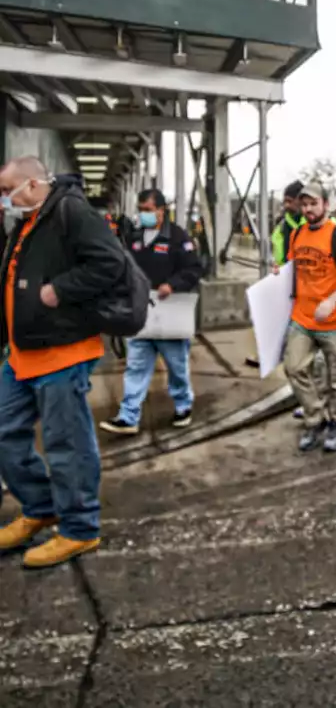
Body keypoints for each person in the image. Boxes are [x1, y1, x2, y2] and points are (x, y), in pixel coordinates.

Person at [0, 159, 126, 568]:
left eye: (7, 190)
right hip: (23, 352)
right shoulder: (28, 221)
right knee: (4, 431)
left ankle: (80, 528)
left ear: (33, 184)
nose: (4, 199)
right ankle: (41, 505)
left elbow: (111, 264)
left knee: (66, 443)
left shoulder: (71, 211)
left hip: (62, 352)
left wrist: (61, 289)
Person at [100, 189, 204, 435]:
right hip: (142, 314)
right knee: (136, 366)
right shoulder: (135, 238)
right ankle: (128, 416)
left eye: (148, 209)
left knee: (176, 366)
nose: (143, 214)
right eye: (141, 209)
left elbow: (194, 269)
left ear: (161, 210)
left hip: (170, 315)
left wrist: (173, 284)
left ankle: (183, 406)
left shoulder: (178, 238)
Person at [281, 184, 336, 454]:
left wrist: (331, 300)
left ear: (325, 204)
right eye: (304, 205)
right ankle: (315, 418)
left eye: (313, 203)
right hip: (302, 318)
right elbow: (292, 267)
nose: (308, 209)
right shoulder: (297, 234)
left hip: (334, 322)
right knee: (294, 368)